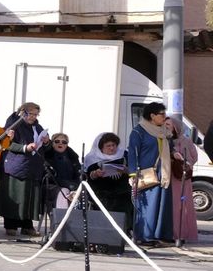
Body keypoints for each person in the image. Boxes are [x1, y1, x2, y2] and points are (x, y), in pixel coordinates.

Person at [0, 103, 48, 238]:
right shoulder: (14, 125)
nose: (33, 117)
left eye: (36, 114)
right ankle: (11, 225)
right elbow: (6, 144)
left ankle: (27, 225)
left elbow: (42, 145)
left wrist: (46, 140)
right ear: (22, 112)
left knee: (29, 198)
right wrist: (25, 148)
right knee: (15, 197)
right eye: (31, 113)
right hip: (16, 166)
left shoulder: (37, 127)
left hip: (32, 167)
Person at [129, 102, 176, 246]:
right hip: (147, 174)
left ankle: (161, 235)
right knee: (149, 206)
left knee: (162, 205)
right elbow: (132, 153)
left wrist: (176, 154)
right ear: (152, 116)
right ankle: (145, 236)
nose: (164, 117)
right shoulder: (139, 131)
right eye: (162, 114)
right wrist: (133, 174)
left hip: (164, 173)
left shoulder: (163, 131)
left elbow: (170, 149)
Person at [83, 132, 134, 222]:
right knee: (106, 202)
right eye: (108, 146)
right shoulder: (92, 158)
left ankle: (126, 229)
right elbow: (88, 176)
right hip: (101, 190)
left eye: (113, 145)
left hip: (122, 190)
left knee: (126, 200)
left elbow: (132, 171)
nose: (112, 148)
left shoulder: (124, 155)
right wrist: (96, 173)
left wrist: (125, 170)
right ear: (101, 147)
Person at [169, 119, 200, 246]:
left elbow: (194, 157)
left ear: (176, 127)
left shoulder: (185, 141)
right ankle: (169, 233)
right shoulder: (164, 140)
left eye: (169, 125)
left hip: (181, 178)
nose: (166, 127)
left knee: (181, 206)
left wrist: (184, 161)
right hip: (168, 177)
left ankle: (180, 233)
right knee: (170, 206)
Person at [43, 133, 82, 209]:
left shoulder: (72, 157)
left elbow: (78, 174)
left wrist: (76, 187)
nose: (60, 143)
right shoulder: (47, 156)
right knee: (64, 192)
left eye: (64, 142)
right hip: (51, 186)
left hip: (72, 186)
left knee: (81, 193)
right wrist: (68, 185)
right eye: (57, 141)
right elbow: (48, 176)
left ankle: (78, 220)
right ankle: (62, 219)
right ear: (52, 143)